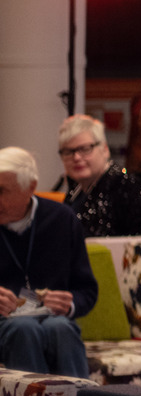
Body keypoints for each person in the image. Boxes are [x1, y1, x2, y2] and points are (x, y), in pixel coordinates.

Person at [0, 148, 94, 376]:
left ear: (30, 188)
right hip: (6, 322)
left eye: (2, 191)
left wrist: (70, 304)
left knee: (61, 328)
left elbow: (87, 290)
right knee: (23, 328)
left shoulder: (62, 219)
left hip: (51, 316)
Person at [50, 114, 141, 237]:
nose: (76, 157)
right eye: (68, 152)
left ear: (105, 149)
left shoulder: (124, 186)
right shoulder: (76, 190)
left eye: (85, 149)